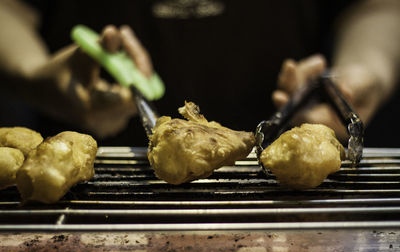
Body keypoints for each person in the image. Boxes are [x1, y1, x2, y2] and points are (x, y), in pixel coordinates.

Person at [0, 0, 399, 147]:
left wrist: (367, 67)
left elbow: (375, 5)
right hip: (83, 193)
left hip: (282, 182)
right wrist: (31, 72)